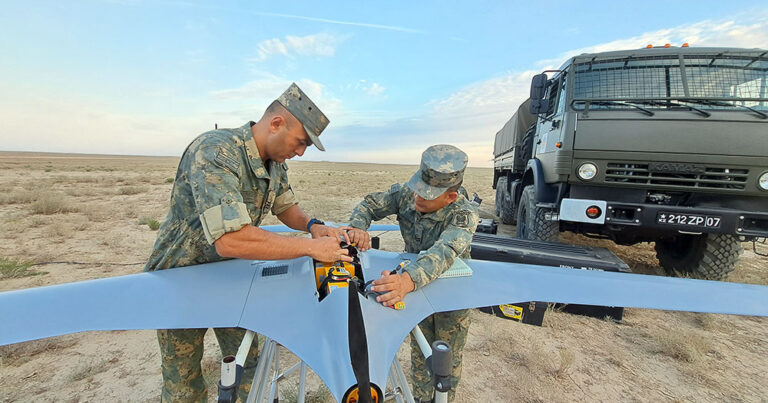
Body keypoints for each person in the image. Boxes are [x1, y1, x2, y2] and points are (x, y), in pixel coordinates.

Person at [144, 83, 353, 402]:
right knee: (183, 384)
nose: (299, 152)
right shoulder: (216, 150)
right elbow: (231, 240)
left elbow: (285, 207)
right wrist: (310, 248)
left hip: (231, 278)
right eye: (300, 142)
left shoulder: (275, 163)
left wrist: (313, 226)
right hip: (182, 280)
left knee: (246, 368)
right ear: (277, 123)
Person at [345, 144, 479, 403]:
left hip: (450, 293)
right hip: (414, 287)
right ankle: (419, 398)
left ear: (450, 197)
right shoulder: (407, 194)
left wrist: (406, 280)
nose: (418, 197)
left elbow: (445, 252)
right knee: (420, 350)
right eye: (419, 188)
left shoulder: (463, 214)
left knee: (446, 358)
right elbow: (369, 204)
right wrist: (357, 227)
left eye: (427, 195)